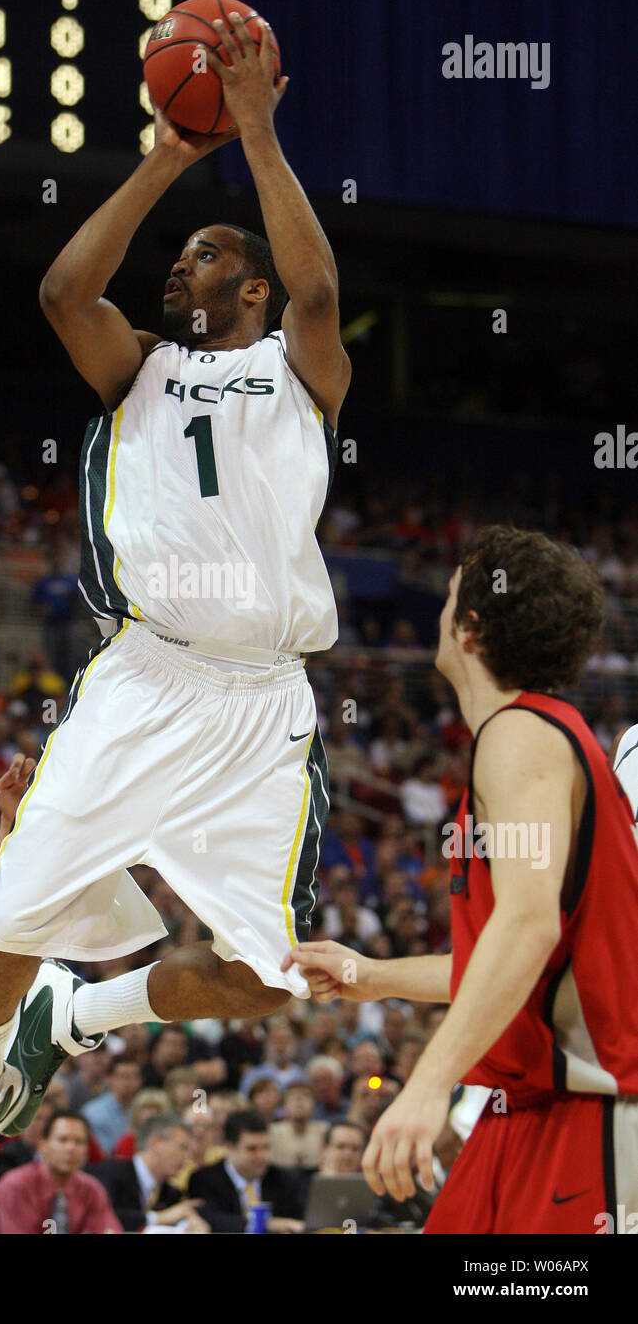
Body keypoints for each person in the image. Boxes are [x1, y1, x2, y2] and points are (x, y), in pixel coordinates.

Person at [0, 12, 351, 1220]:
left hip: (263, 706)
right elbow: (63, 287)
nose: (176, 268)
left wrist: (254, 130)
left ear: (247, 288)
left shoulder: (300, 370)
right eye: (178, 257)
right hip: (145, 675)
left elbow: (317, 284)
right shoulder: (136, 367)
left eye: (202, 256)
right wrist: (164, 159)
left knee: (273, 983)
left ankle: (81, 1011)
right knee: (8, 909)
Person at [285, 526, 638, 1234]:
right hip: (522, 1116)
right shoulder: (529, 737)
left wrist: (424, 1085)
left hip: (587, 1112)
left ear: (470, 628)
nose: (438, 610)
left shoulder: (521, 734)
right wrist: (373, 974)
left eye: (448, 597)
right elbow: (516, 964)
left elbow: (527, 925)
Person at [0, 1112, 121, 1235]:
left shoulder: (92, 1189)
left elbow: (109, 1228)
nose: (71, 1148)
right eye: (63, 1140)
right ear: (43, 1145)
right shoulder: (15, 1186)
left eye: (79, 1142)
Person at [188, 1109, 307, 1234]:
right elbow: (212, 1220)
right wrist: (265, 1224)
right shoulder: (204, 1180)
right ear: (229, 1148)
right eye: (252, 1149)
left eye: (266, 1147)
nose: (262, 1156)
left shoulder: (285, 1179)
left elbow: (299, 1220)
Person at [88, 1115, 209, 1234]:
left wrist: (191, 1223)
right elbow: (102, 1216)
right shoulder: (110, 1173)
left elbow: (179, 1215)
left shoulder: (171, 1193)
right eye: (183, 1147)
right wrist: (158, 1218)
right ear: (154, 1144)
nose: (187, 1157)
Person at [81, 1055, 144, 1154]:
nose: (129, 1082)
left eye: (134, 1076)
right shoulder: (92, 1112)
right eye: (124, 1077)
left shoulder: (144, 1109)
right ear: (110, 1079)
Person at [268, 1081, 328, 1171]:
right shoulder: (271, 1132)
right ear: (284, 1106)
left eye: (305, 1096)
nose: (299, 1101)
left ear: (314, 1105)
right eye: (293, 1097)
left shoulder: (324, 1131)